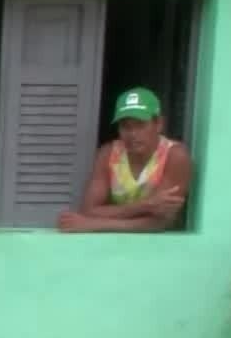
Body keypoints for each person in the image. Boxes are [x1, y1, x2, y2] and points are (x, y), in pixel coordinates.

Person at [57, 87, 194, 233]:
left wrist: (95, 224)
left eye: (140, 125)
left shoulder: (175, 156)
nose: (132, 134)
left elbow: (160, 222)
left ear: (159, 124)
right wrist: (147, 205)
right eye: (125, 126)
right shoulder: (109, 153)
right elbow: (89, 210)